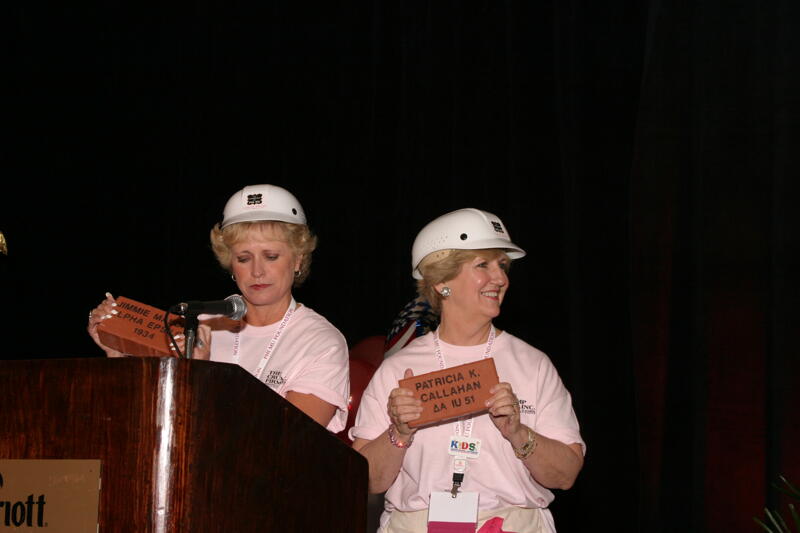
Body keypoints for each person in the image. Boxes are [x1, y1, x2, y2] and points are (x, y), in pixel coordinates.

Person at [350, 208, 585, 533]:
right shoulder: (398, 370)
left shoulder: (533, 365)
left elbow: (566, 475)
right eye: (483, 265)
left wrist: (517, 432)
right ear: (442, 281)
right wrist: (400, 432)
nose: (501, 278)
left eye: (502, 265)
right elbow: (367, 480)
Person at [87, 184, 350, 432]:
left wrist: (201, 376)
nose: (257, 271)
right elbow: (145, 418)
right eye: (243, 258)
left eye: (271, 256)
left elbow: (291, 439)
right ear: (230, 264)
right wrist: (118, 354)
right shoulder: (195, 326)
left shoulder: (321, 342)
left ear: (298, 260)